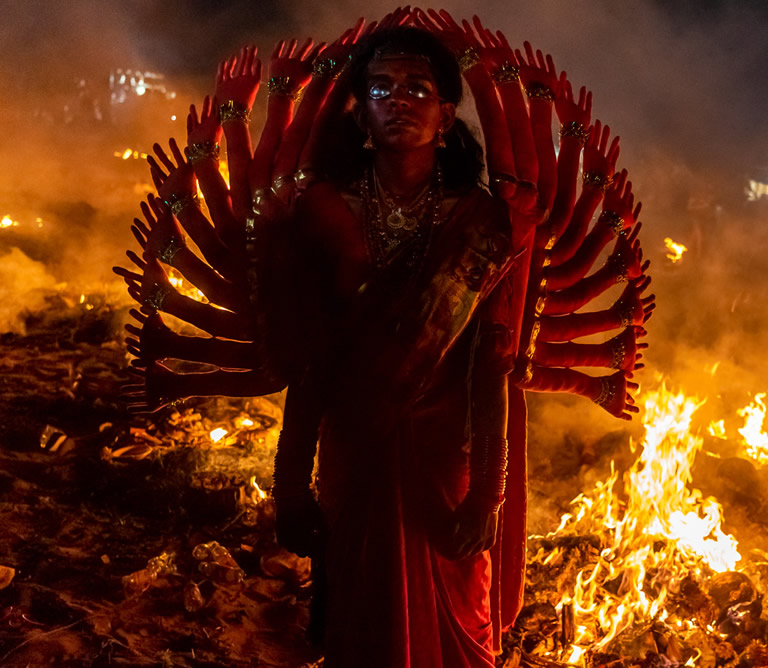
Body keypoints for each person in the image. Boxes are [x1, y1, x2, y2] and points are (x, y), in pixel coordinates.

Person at [115, 11, 652, 666]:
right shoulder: (320, 211)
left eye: (418, 89)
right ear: (360, 113)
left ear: (448, 116)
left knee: (460, 625)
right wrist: (290, 484)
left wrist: (488, 493)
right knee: (363, 620)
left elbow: (494, 363)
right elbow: (308, 360)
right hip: (354, 441)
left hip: (448, 452)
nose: (399, 100)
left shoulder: (483, 219)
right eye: (381, 87)